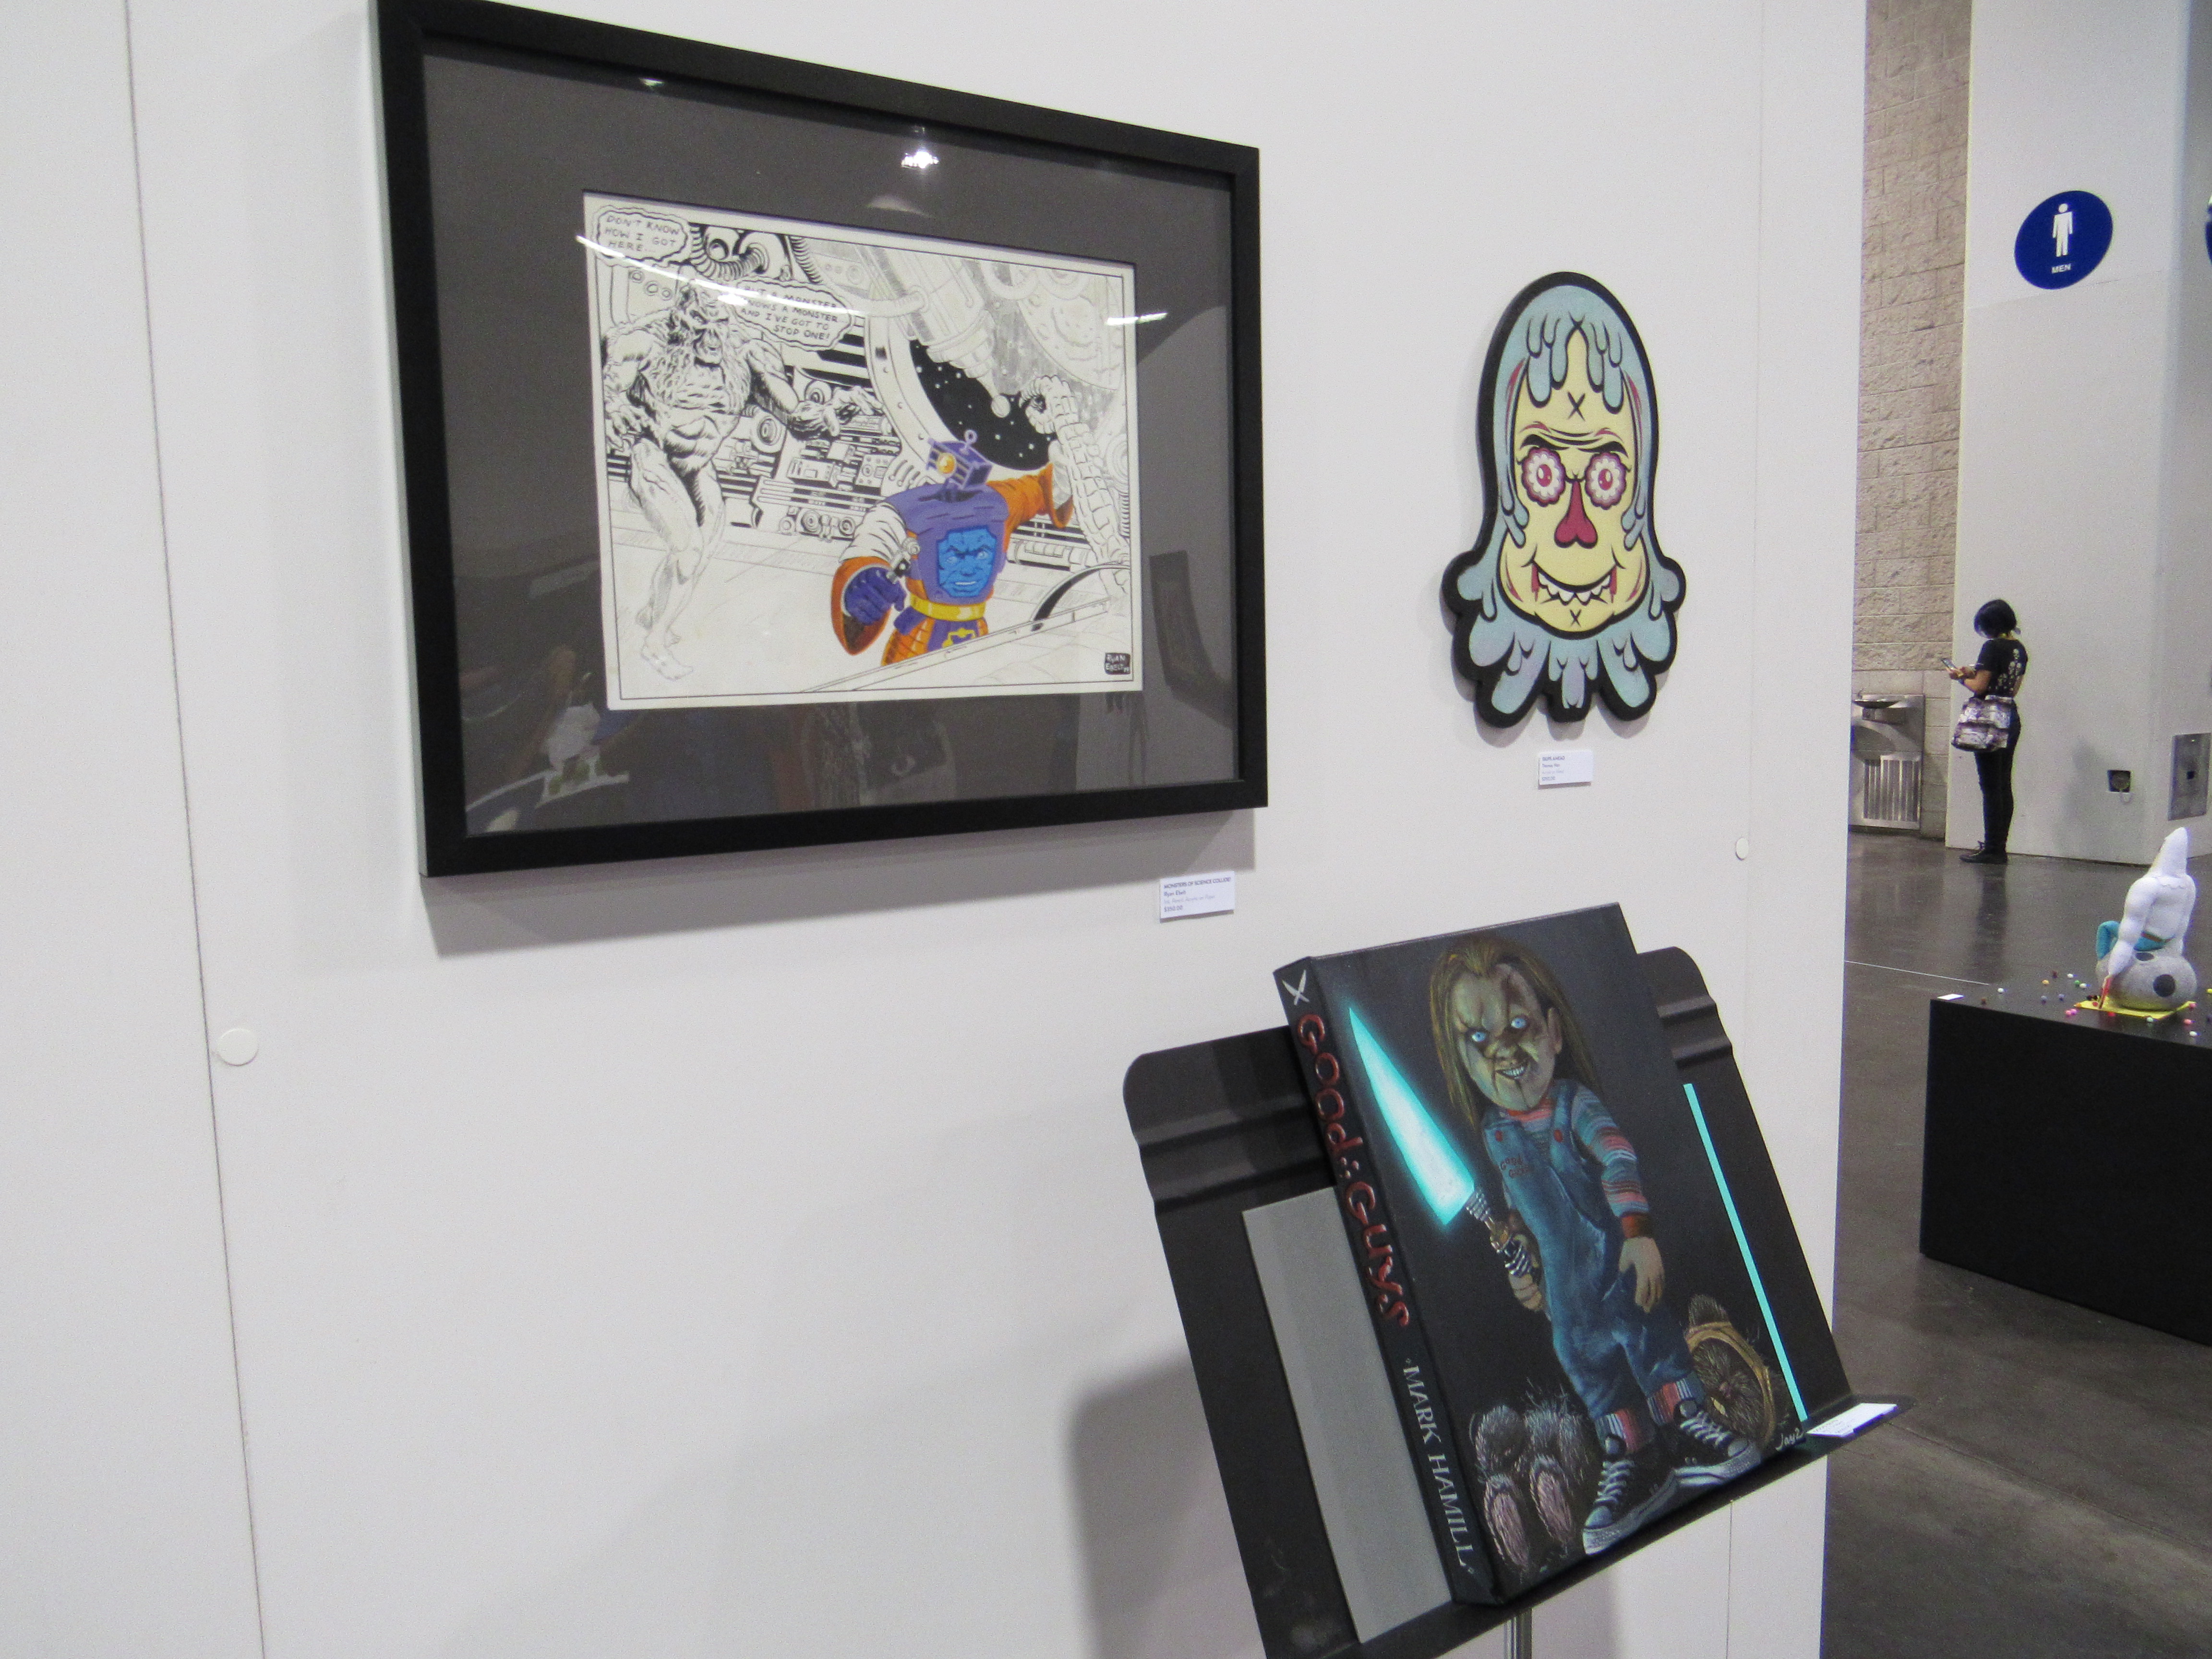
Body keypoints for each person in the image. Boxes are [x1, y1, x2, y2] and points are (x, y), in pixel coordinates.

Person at [1426, 936, 1756, 1556]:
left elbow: (1617, 1157)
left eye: (1518, 1027)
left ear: (1554, 1033)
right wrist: (1523, 1266)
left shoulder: (1576, 1106)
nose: (1503, 1051)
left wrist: (1638, 1233)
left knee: (1648, 1339)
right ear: (1463, 1062)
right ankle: (1632, 1454)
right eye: (1479, 1039)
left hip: (1617, 1268)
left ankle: (1686, 1420)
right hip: (1568, 1299)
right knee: (1588, 1365)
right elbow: (1521, 1214)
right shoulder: (1496, 1135)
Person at [1948, 598, 2029, 864]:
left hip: (1988, 721)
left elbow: (1980, 687)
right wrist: (1973, 670)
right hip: (2009, 717)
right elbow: (2013, 687)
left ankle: (1992, 849)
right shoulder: (2019, 649)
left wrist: (1961, 677)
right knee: (2004, 784)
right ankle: (1999, 846)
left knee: (1990, 786)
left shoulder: (1992, 647)